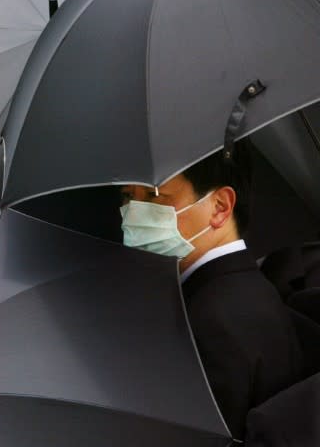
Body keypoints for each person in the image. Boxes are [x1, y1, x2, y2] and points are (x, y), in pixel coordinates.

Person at [119, 142, 304, 439]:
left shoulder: (213, 320)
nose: (134, 214)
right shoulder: (247, 290)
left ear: (220, 207)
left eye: (156, 198)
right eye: (129, 198)